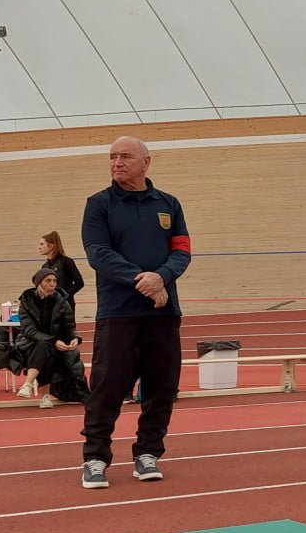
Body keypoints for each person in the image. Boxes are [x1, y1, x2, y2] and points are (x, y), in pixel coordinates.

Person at [78, 137, 191, 490]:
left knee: (161, 387)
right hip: (118, 313)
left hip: (163, 312)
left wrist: (162, 277)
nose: (117, 162)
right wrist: (143, 280)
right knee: (108, 387)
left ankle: (148, 454)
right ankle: (95, 458)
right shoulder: (99, 204)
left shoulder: (168, 204)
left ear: (146, 162)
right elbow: (98, 253)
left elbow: (182, 251)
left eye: (125, 156)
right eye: (112, 156)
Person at [13, 268, 89, 408]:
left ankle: (28, 385)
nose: (52, 284)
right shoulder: (27, 301)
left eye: (54, 280)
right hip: (29, 344)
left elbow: (69, 326)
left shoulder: (62, 301)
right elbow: (29, 330)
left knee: (46, 349)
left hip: (54, 345)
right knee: (44, 347)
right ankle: (43, 396)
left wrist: (75, 338)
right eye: (48, 281)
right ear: (39, 283)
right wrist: (54, 341)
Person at [37, 230, 86, 304]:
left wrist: (65, 296)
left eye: (42, 244)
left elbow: (79, 283)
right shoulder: (44, 266)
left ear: (51, 246)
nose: (39, 247)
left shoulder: (66, 262)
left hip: (66, 305)